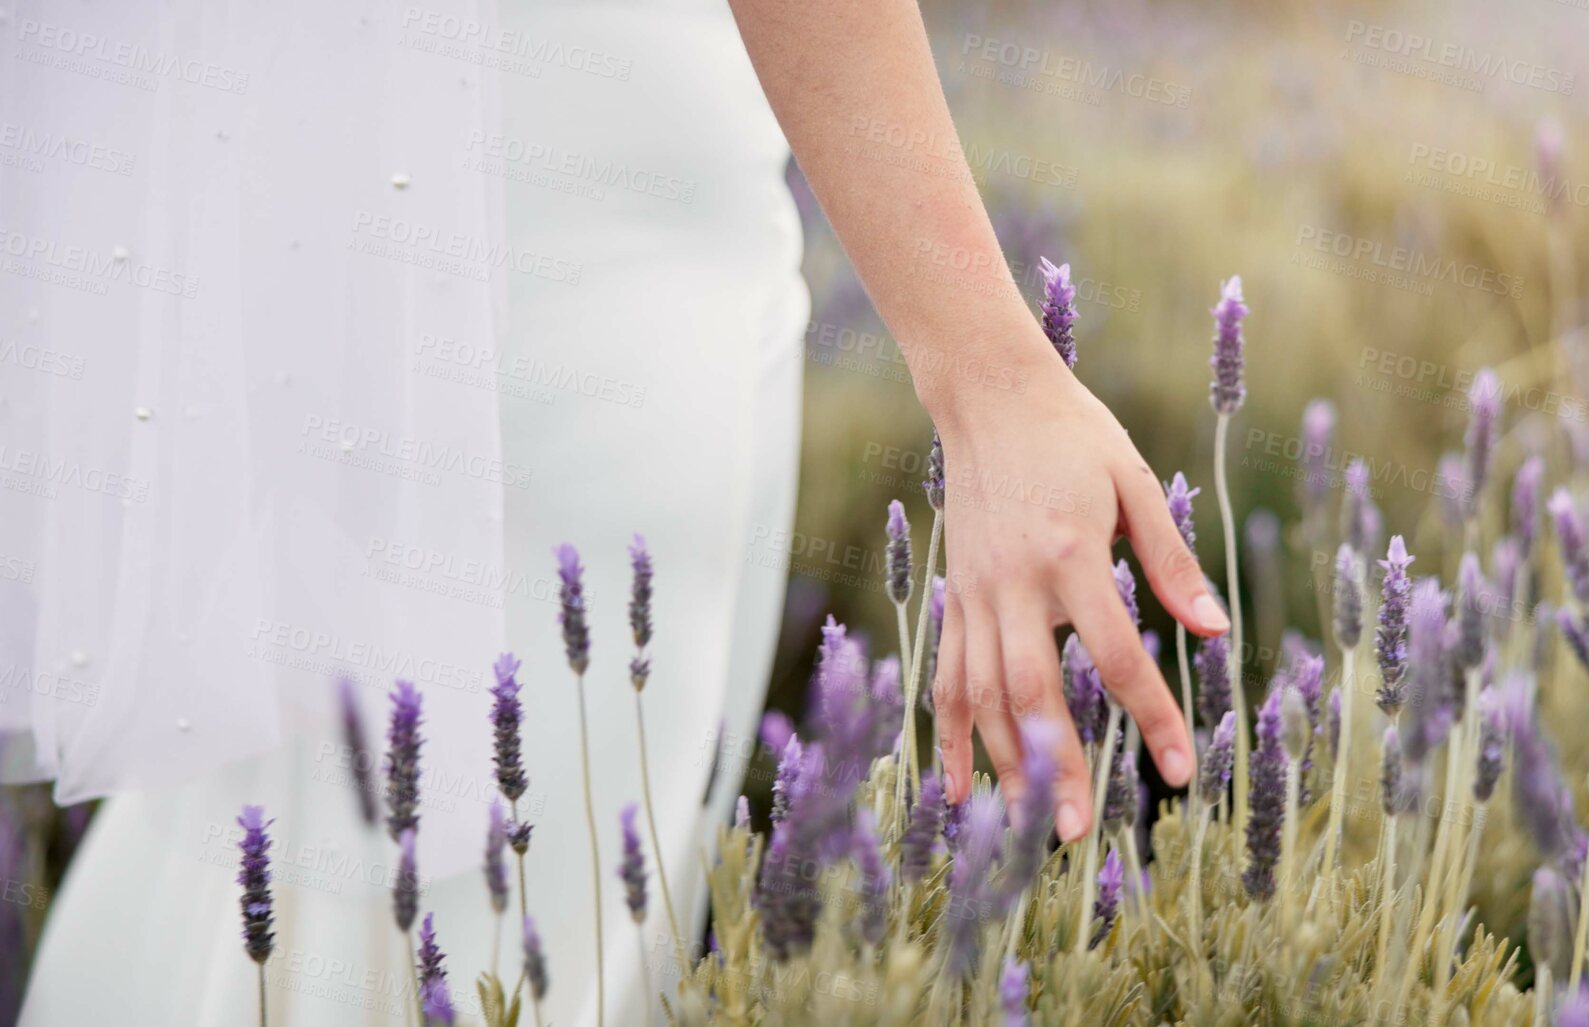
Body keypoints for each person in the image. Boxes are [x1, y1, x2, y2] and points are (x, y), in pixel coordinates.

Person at [4, 0, 1224, 1022]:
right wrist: (990, 366)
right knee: (489, 902)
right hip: (581, 228)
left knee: (273, 833)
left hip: (327, 202)